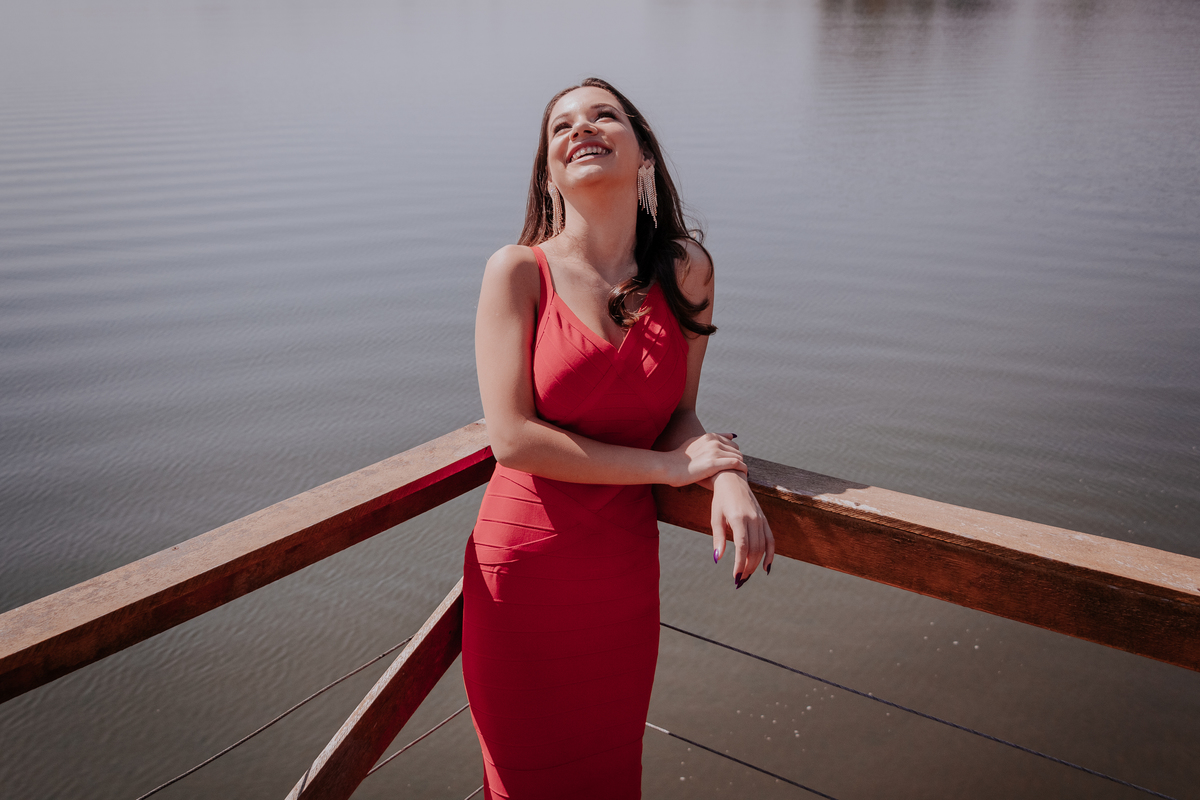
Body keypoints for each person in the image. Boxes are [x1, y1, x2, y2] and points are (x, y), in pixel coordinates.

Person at [462, 77, 774, 800]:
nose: (583, 128)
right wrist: (668, 469)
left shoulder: (687, 271)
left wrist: (724, 473)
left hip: (622, 584)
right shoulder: (517, 272)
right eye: (561, 126)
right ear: (549, 171)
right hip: (524, 572)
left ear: (642, 154)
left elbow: (681, 413)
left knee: (609, 779)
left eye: (604, 115)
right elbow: (513, 439)